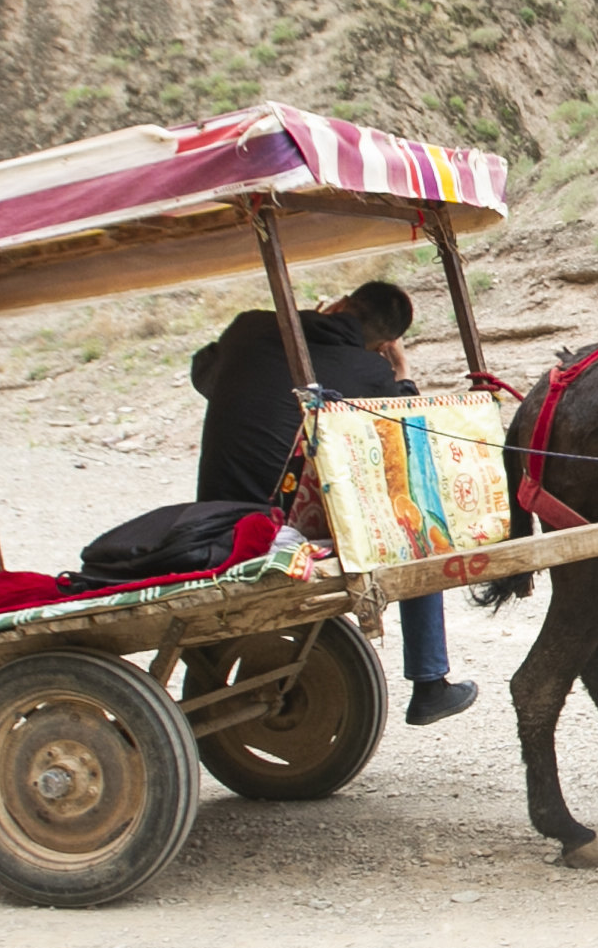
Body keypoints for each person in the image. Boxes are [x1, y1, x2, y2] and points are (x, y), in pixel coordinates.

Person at [192, 280, 478, 726]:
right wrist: (400, 370)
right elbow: (404, 432)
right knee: (417, 526)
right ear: (384, 344)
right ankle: (429, 683)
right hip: (285, 526)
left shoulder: (249, 329)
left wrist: (307, 322)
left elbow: (206, 375)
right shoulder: (369, 372)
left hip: (213, 515)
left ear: (340, 305)